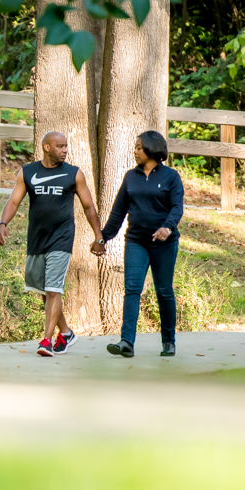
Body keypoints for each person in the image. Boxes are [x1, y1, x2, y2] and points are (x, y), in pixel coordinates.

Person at [0, 130, 106, 357]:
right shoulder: (28, 172)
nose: (65, 150)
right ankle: (65, 333)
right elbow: (14, 201)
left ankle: (46, 340)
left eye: (66, 146)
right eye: (60, 146)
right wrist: (2, 223)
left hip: (62, 238)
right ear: (47, 147)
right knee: (45, 292)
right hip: (37, 239)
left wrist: (99, 236)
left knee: (53, 290)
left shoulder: (74, 174)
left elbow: (88, 206)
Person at [101, 130, 184, 358]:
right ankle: (126, 342)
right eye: (136, 147)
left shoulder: (171, 177)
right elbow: (118, 213)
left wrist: (167, 227)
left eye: (139, 147)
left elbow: (177, 208)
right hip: (136, 241)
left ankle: (168, 341)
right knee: (132, 289)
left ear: (151, 149)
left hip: (164, 243)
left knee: (164, 291)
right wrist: (103, 238)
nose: (135, 151)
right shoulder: (131, 177)